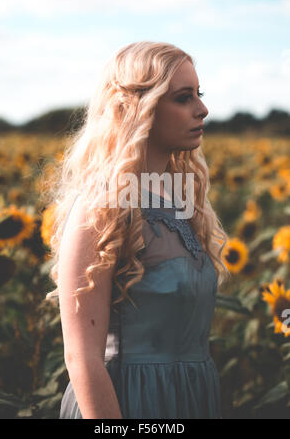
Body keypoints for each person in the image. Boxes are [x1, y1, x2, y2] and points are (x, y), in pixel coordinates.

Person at [45, 41, 230, 419]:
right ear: (136, 108)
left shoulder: (184, 201)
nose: (203, 109)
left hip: (192, 398)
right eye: (183, 98)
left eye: (199, 94)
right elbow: (81, 358)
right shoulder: (103, 206)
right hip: (127, 403)